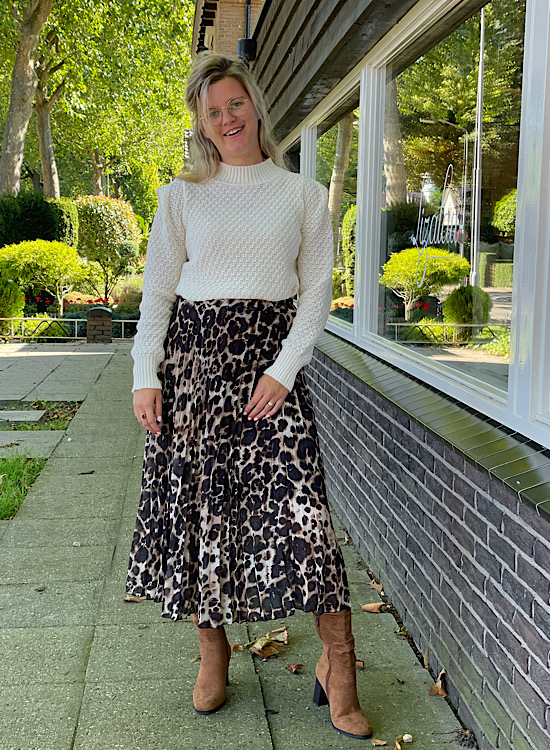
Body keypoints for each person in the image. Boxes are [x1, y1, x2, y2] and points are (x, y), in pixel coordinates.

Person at [126, 50, 373, 740]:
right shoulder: (180, 197)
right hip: (193, 373)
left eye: (235, 103)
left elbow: (316, 294)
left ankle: (339, 664)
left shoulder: (301, 195)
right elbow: (158, 292)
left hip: (271, 375)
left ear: (256, 106)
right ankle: (214, 655)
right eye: (212, 111)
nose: (227, 118)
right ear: (200, 124)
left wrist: (284, 370)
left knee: (305, 516)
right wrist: (146, 373)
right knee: (202, 513)